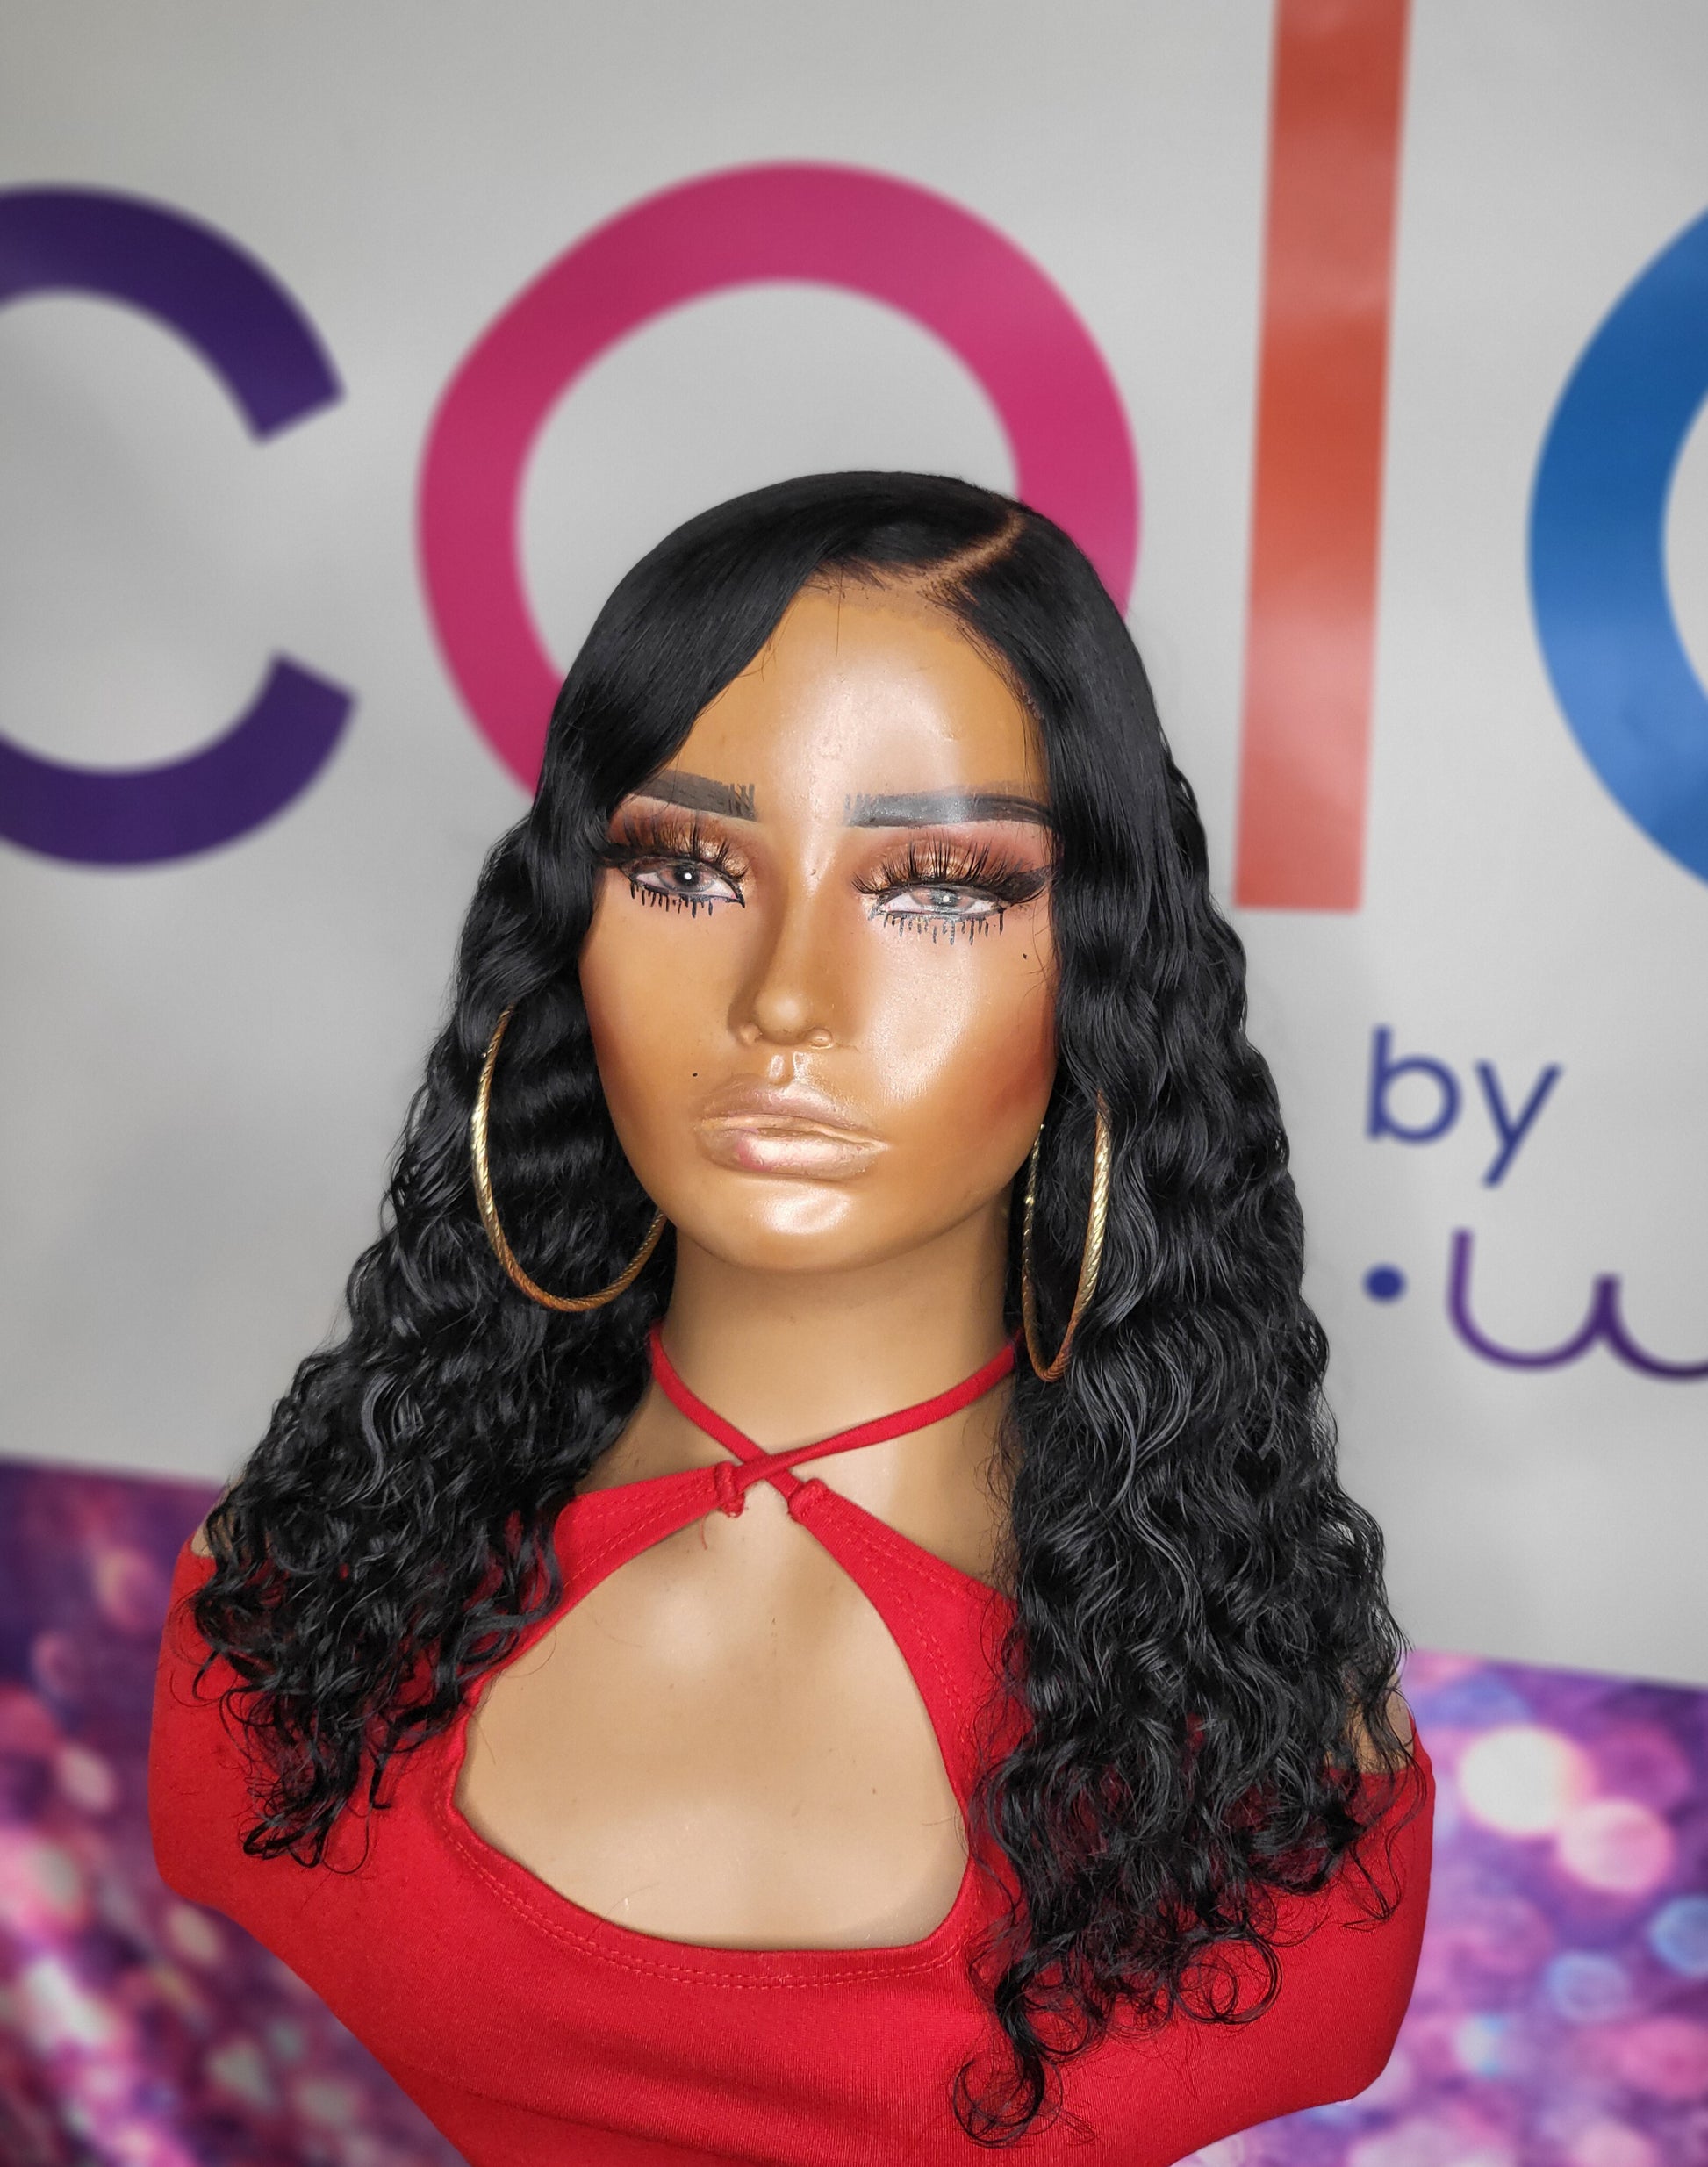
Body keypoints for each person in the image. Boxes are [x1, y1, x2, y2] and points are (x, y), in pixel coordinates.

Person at [151, 472, 1432, 2164]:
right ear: (564, 926)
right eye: (687, 867)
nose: (786, 1002)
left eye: (937, 886)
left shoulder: (1268, 1774)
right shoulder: (301, 1616)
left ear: (1104, 966)